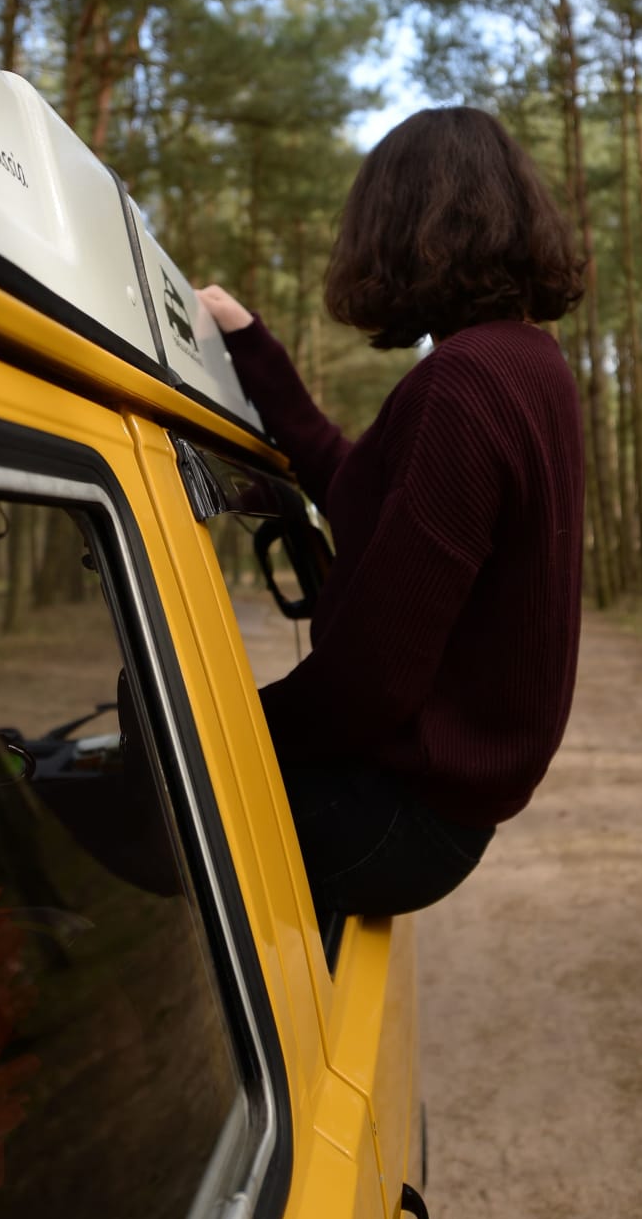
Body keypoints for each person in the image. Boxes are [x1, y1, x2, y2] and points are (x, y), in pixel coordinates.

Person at [196, 105, 586, 921]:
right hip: (433, 812)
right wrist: (251, 347)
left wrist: (212, 724)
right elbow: (363, 492)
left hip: (396, 815)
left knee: (120, 810)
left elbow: (373, 675)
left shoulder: (465, 381)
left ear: (405, 227)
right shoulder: (524, 362)